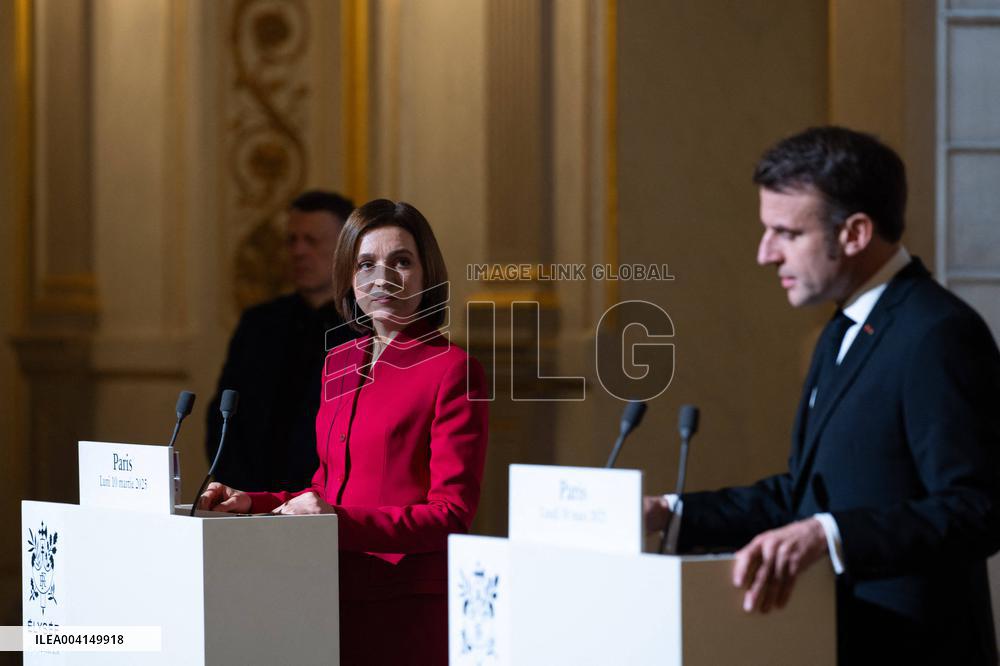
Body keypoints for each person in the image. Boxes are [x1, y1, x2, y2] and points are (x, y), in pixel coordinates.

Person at [644, 127, 1000, 664]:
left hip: (914, 649)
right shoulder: (842, 329)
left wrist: (830, 535)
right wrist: (672, 515)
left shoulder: (937, 333)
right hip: (830, 641)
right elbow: (806, 496)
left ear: (855, 233)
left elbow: (979, 508)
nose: (766, 254)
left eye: (786, 233)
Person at [199, 199, 489, 666]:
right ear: (350, 278)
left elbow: (451, 514)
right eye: (366, 263)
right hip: (321, 589)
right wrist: (256, 501)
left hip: (403, 606)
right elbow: (327, 486)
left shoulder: (454, 369)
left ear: (427, 273)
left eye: (402, 261)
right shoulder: (340, 359)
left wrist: (336, 520)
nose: (384, 277)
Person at [206, 190, 359, 492]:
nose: (299, 251)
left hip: (330, 505)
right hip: (250, 500)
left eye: (312, 240)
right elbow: (223, 417)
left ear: (347, 249)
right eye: (292, 240)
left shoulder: (367, 328)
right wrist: (241, 492)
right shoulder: (259, 323)